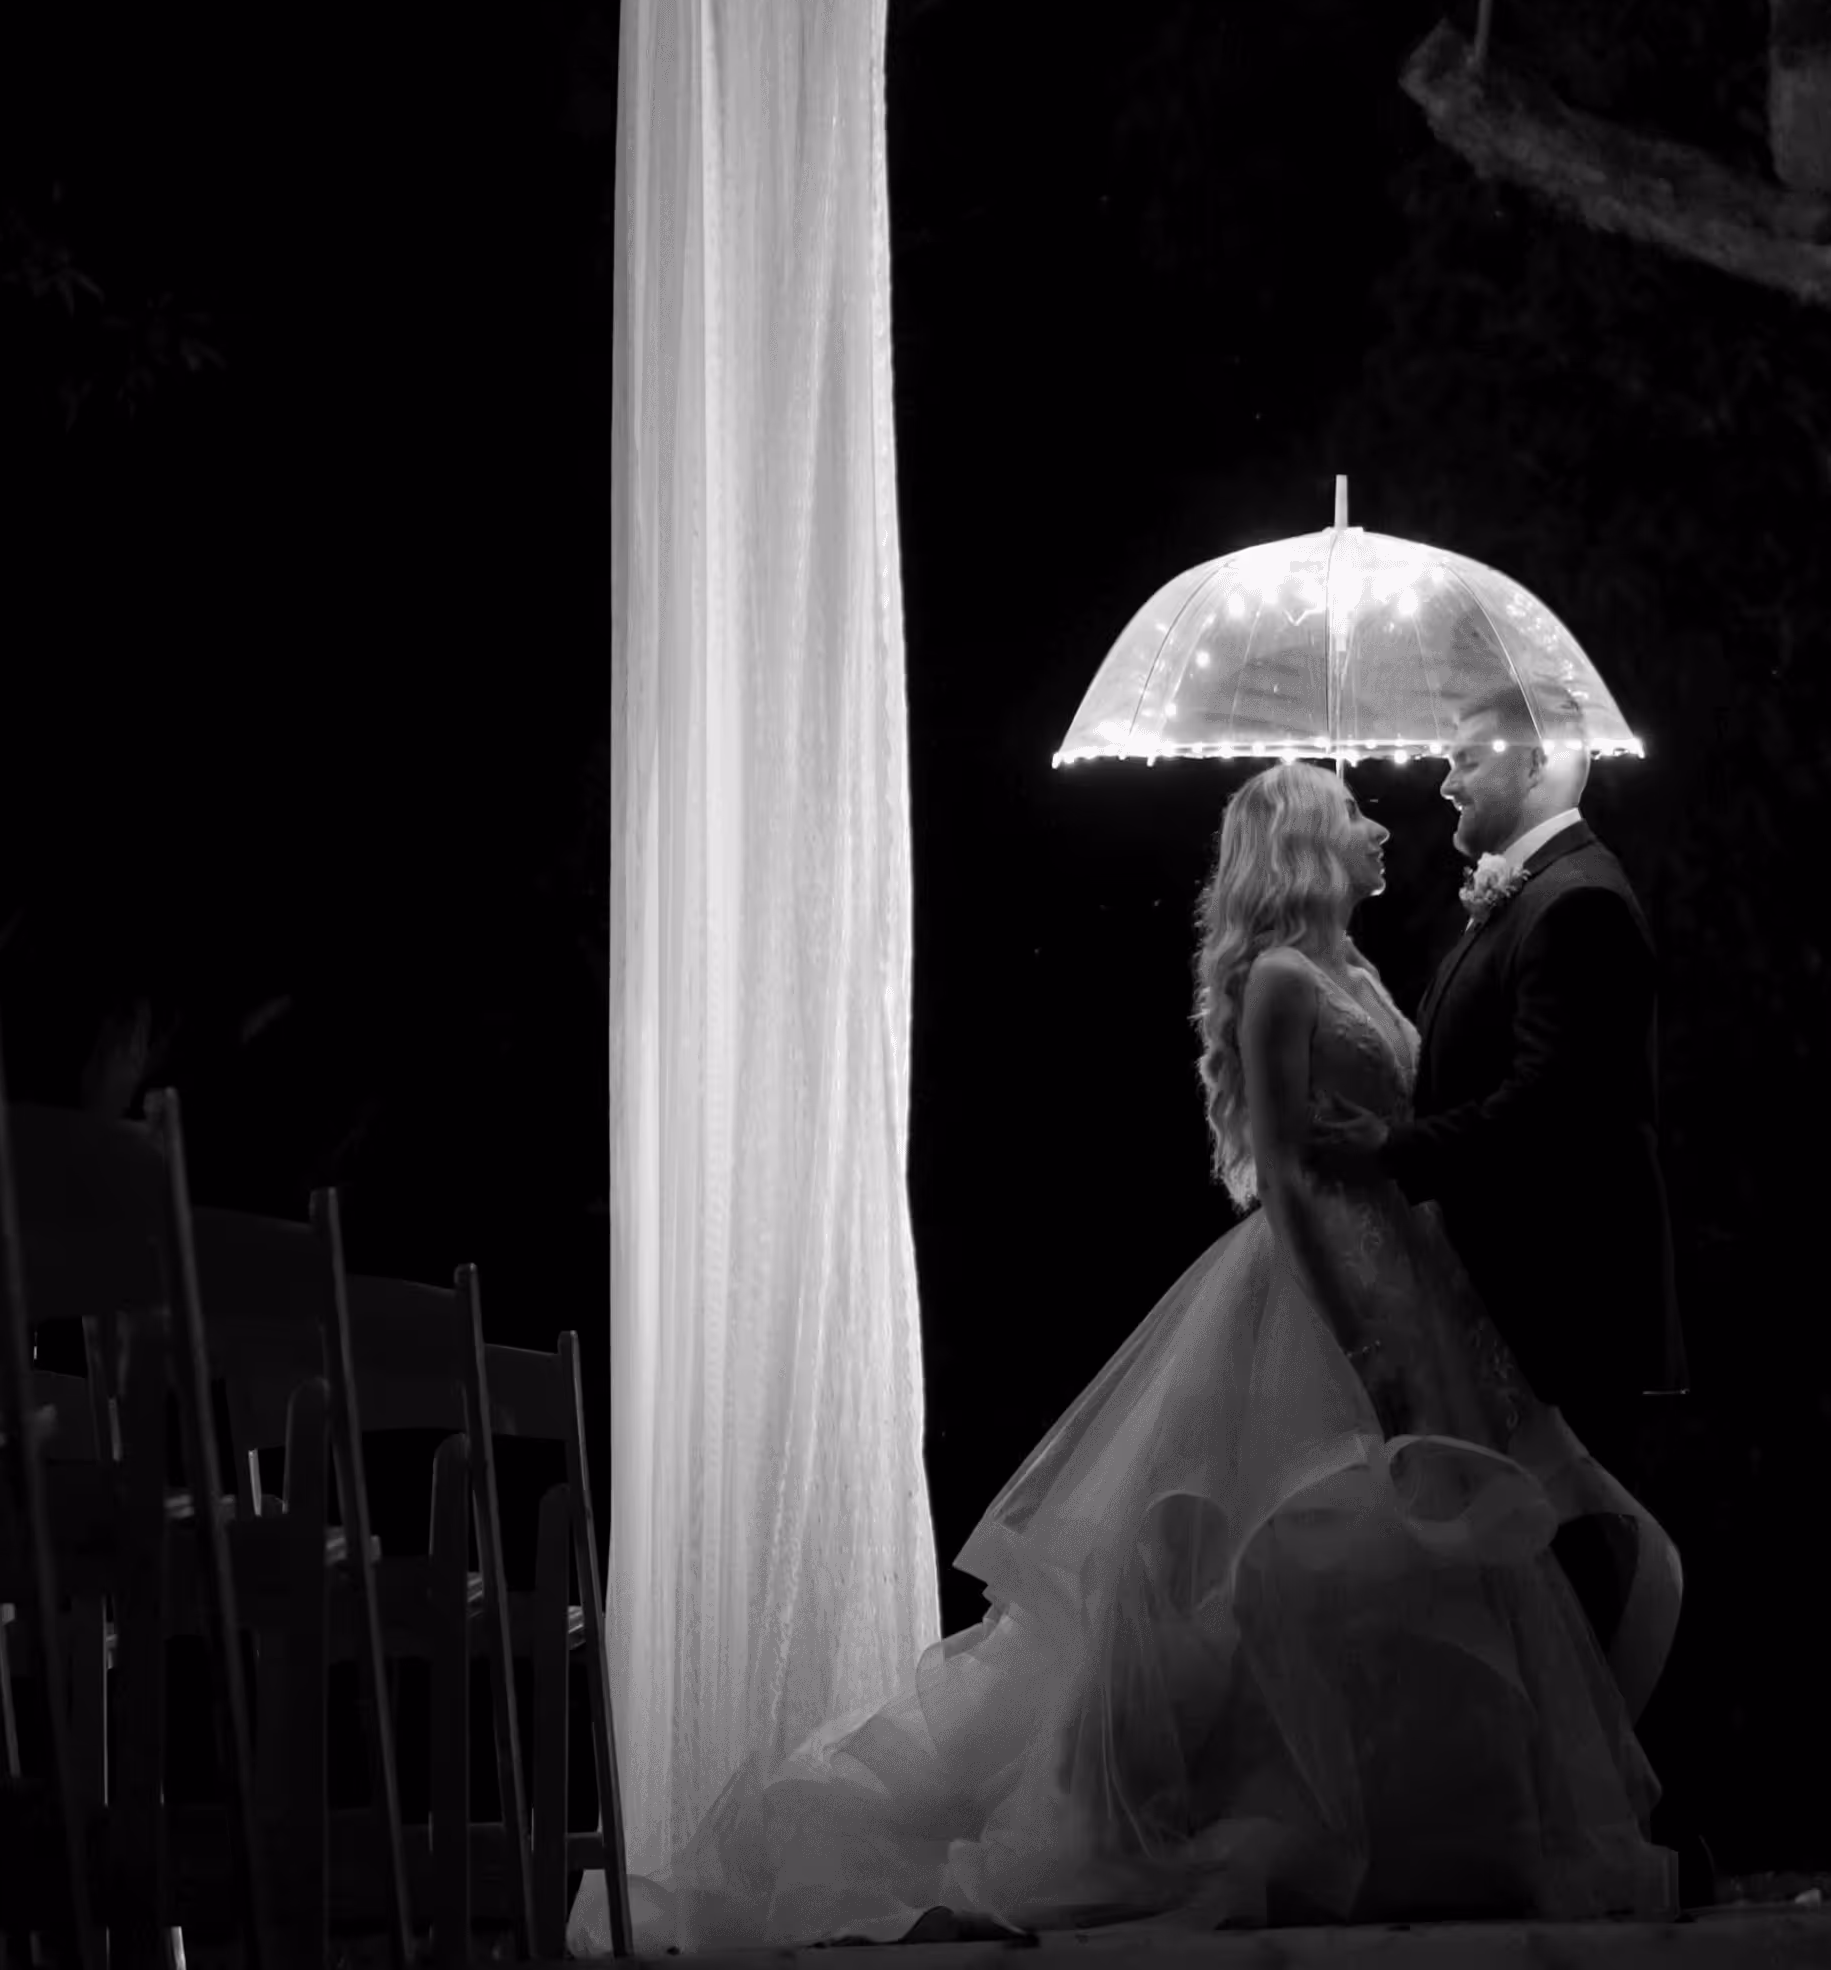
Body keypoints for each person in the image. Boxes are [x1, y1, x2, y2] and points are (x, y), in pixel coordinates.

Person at [583, 760, 1669, 1954]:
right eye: (1350, 813)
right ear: (1302, 844)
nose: (1378, 828)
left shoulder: (1356, 972)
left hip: (1405, 1268)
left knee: (1390, 1558)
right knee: (1292, 1538)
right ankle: (1262, 1812)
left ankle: (1395, 1813)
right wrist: (1356, 1324)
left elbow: (1398, 1123)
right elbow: (1284, 1173)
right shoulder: (1280, 980)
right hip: (1319, 1279)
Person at [1310, 682, 1689, 1727]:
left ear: (1536, 762)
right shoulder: (1530, 898)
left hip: (1562, 1306)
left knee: (1582, 1590)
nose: (1443, 780)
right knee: (1540, 1595)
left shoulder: (1578, 904)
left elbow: (1546, 1106)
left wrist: (1392, 1151)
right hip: (1507, 1303)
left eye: (1466, 758)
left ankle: (1621, 1808)